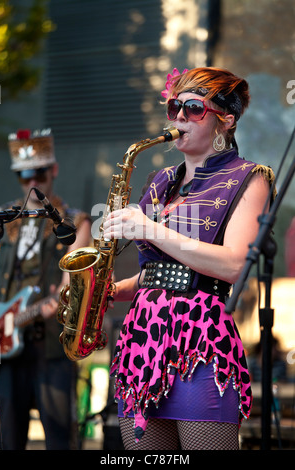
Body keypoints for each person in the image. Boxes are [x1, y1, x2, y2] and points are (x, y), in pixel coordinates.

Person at [103, 67, 275, 450]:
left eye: (193, 108)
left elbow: (233, 265)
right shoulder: (159, 181)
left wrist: (149, 229)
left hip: (200, 342)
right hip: (141, 341)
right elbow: (159, 273)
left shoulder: (250, 177)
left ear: (226, 120)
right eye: (174, 106)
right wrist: (107, 292)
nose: (179, 116)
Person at [0, 129, 91, 450]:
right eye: (24, 175)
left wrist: (58, 301)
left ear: (54, 170)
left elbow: (70, 287)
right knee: (9, 439)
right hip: (5, 345)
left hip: (51, 346)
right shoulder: (2, 219)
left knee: (60, 439)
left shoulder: (74, 221)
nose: (32, 181)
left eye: (39, 172)